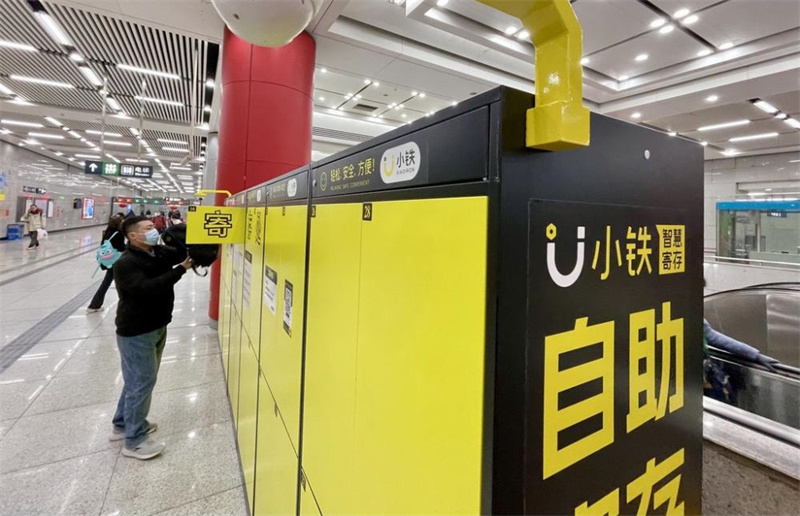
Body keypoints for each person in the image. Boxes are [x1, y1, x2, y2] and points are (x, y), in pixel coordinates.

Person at [111, 215, 192, 460]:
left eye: (153, 227)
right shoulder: (126, 263)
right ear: (133, 236)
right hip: (137, 331)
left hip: (156, 326)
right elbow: (147, 289)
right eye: (148, 228)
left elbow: (176, 252)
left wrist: (182, 231)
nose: (153, 230)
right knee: (142, 382)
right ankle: (134, 441)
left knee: (136, 380)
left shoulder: (154, 252)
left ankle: (122, 424)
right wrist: (180, 271)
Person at [87, 216, 126, 312]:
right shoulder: (118, 233)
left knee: (110, 281)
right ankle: (94, 305)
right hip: (115, 261)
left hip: (109, 260)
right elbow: (121, 248)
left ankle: (95, 304)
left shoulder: (107, 232)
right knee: (109, 282)